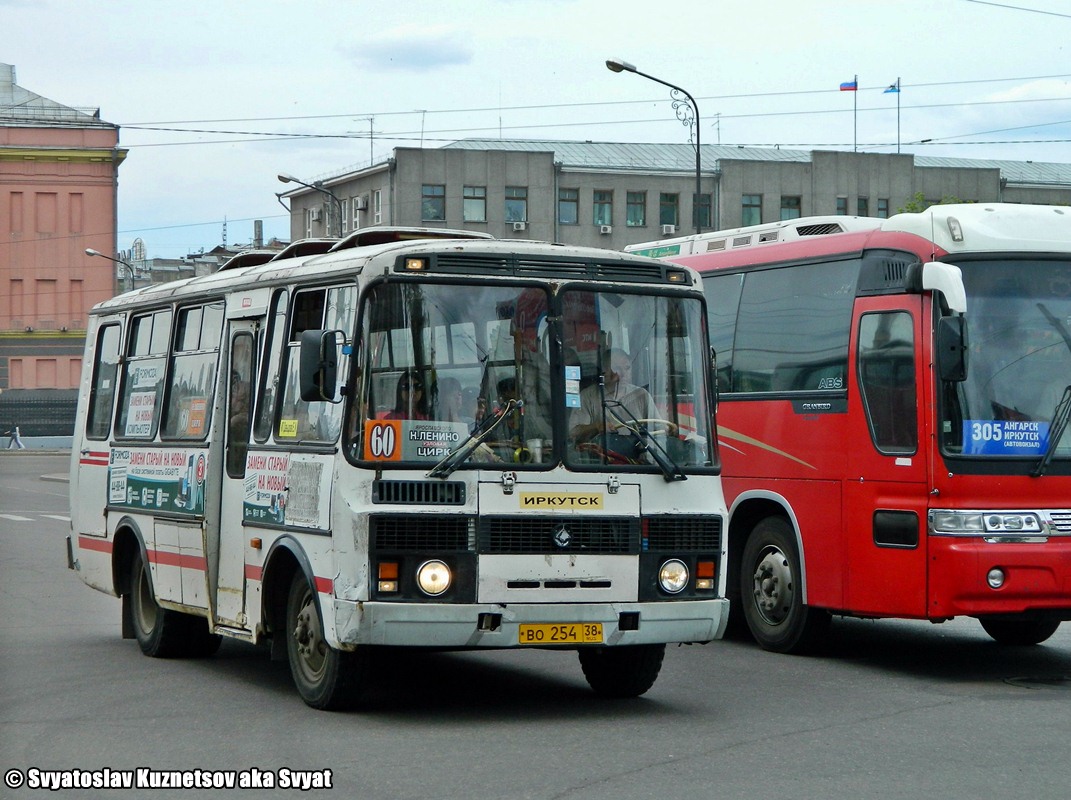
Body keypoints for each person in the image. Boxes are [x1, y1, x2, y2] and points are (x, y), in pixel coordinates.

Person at [570, 349, 660, 442]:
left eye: (627, 368)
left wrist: (669, 430)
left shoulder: (641, 395)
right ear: (604, 371)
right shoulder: (588, 396)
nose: (624, 374)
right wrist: (596, 427)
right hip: (602, 454)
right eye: (617, 369)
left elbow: (658, 428)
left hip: (637, 453)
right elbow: (573, 433)